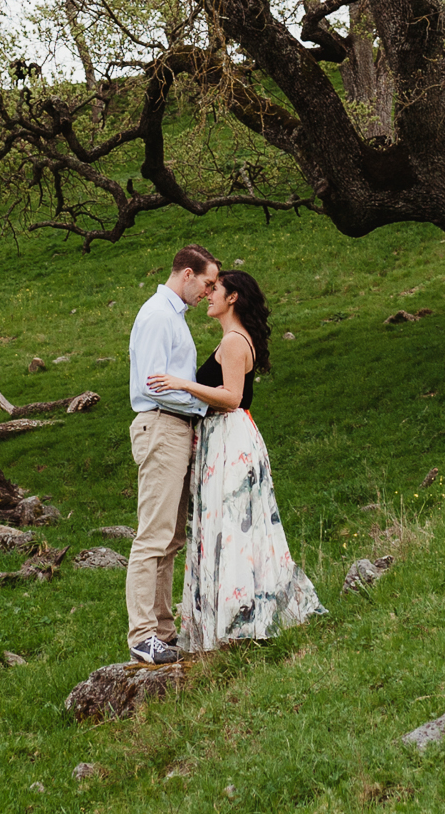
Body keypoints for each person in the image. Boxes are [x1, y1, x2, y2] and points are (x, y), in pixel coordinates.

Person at [145, 267, 325, 654]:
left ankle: (238, 622)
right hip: (227, 435)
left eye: (216, 290)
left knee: (232, 526)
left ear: (233, 298)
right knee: (236, 525)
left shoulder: (232, 341)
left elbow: (230, 396)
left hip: (229, 436)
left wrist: (182, 383)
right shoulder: (234, 339)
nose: (208, 294)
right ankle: (237, 618)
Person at [124, 243, 217, 665]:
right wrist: (201, 404)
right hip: (160, 425)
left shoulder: (174, 317)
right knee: (153, 535)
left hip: (175, 428)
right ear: (186, 274)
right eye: (207, 283)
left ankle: (163, 629)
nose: (209, 292)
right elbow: (149, 386)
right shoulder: (158, 316)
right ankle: (142, 635)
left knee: (172, 537)